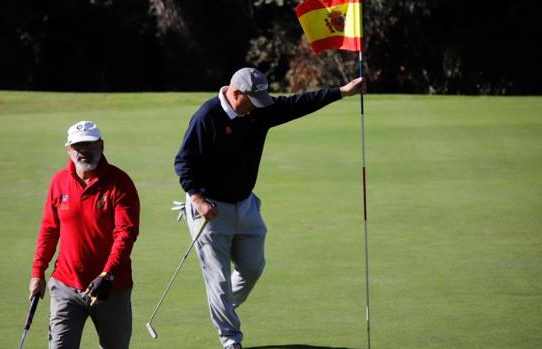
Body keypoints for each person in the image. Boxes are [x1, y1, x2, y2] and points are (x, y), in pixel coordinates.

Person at [174, 67, 364, 349]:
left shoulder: (257, 109)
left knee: (252, 268)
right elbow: (183, 162)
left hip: (245, 204)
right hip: (210, 210)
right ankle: (230, 339)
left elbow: (296, 104)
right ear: (236, 93)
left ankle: (222, 306)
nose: (259, 107)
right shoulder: (207, 116)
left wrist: (340, 93)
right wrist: (198, 200)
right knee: (218, 280)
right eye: (253, 100)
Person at [28, 120, 140, 349]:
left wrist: (107, 274)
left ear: (101, 145)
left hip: (112, 288)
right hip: (66, 286)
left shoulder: (120, 183)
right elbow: (49, 229)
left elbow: (125, 234)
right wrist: (38, 271)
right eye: (78, 146)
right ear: (69, 149)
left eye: (90, 144)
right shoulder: (59, 182)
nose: (84, 151)